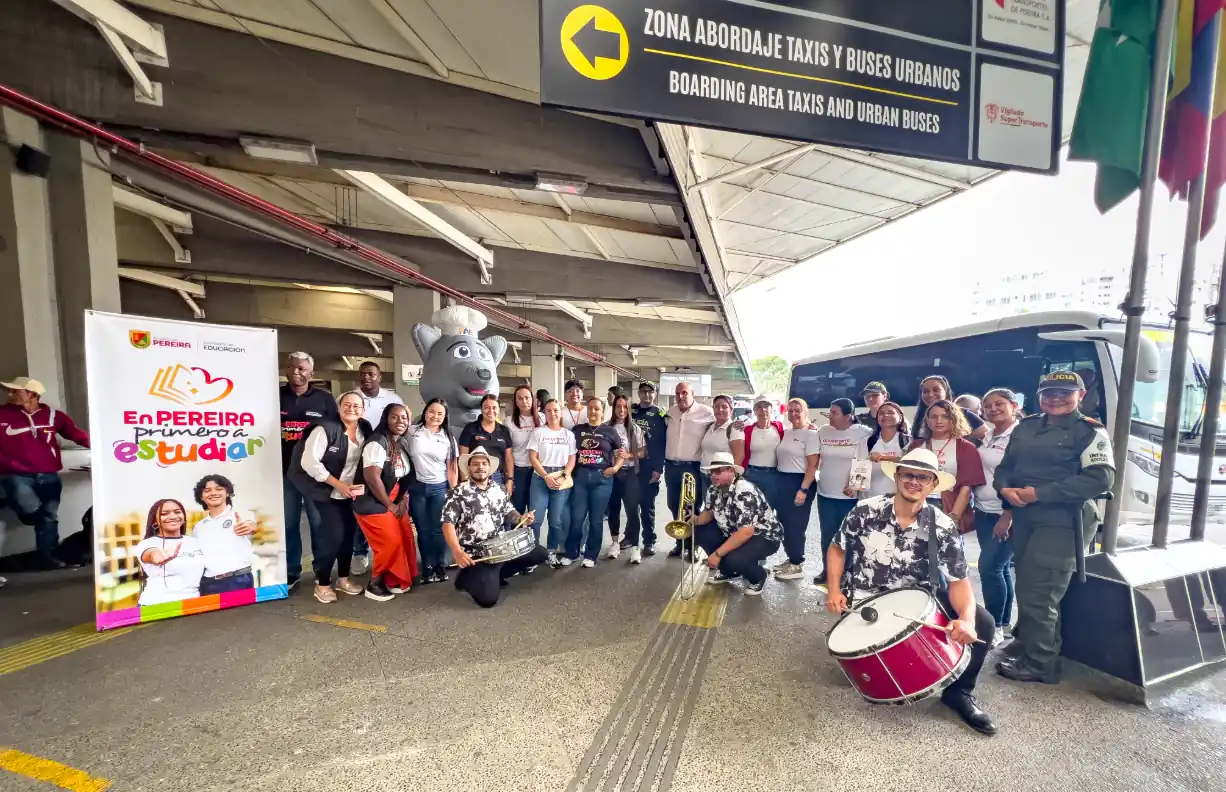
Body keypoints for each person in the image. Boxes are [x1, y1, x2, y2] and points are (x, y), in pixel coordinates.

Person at [824, 448, 997, 735]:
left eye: (922, 477)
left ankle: (959, 692)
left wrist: (966, 619)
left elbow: (957, 581)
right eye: (908, 475)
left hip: (920, 599)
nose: (914, 482)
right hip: (870, 597)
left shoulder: (941, 525)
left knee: (984, 623)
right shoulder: (865, 511)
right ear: (897, 478)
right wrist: (833, 590)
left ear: (931, 484)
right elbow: (837, 548)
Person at [994, 370, 1114, 684]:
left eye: (1064, 392)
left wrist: (1040, 494)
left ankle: (1041, 662)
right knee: (1028, 583)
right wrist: (1005, 489)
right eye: (1049, 393)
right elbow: (1006, 468)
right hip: (1026, 515)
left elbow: (1100, 478)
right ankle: (1030, 641)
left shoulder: (1089, 431)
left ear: (1081, 395)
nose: (1055, 398)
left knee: (1040, 591)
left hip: (1064, 519)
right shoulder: (1027, 427)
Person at [0, 377, 91, 569]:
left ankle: (48, 558)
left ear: (32, 394)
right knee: (34, 512)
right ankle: (29, 517)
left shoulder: (53, 415)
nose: (9, 394)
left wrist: (107, 449)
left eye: (15, 391)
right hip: (15, 475)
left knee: (50, 516)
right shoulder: (1, 414)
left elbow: (76, 435)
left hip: (49, 475)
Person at [289, 391, 371, 604]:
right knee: (333, 537)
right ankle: (322, 583)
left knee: (348, 538)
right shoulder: (324, 429)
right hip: (326, 491)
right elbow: (310, 463)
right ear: (339, 407)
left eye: (356, 406)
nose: (351, 408)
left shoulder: (365, 429)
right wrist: (338, 484)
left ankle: (342, 579)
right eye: (347, 404)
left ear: (363, 410)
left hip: (350, 493)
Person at [442, 447, 546, 608]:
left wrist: (521, 518)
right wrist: (457, 551)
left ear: (489, 468)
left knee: (539, 553)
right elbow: (447, 523)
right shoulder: (457, 492)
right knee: (487, 600)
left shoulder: (498, 488)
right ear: (468, 468)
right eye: (475, 464)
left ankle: (497, 575)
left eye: (484, 463)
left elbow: (508, 511)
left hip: (501, 549)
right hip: (477, 554)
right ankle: (467, 577)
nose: (480, 467)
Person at [278, 352, 336, 591]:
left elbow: (335, 433)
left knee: (319, 524)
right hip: (285, 474)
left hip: (315, 475)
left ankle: (322, 570)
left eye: (302, 368)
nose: (296, 372)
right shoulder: (274, 395)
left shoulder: (324, 399)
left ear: (311, 373)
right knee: (289, 524)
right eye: (292, 367)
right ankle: (292, 572)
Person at [690, 451, 782, 595]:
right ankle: (729, 571)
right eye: (712, 472)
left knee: (734, 558)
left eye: (718, 471)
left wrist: (718, 554)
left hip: (763, 536)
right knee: (699, 531)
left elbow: (746, 532)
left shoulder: (744, 491)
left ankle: (758, 576)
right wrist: (694, 520)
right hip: (733, 531)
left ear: (731, 471)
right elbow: (708, 514)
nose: (714, 475)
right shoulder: (714, 488)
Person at [353, 403, 418, 602]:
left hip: (394, 497)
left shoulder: (398, 443)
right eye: (394, 417)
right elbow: (372, 478)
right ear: (385, 419)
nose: (400, 422)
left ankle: (394, 578)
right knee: (390, 541)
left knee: (406, 536)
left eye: (404, 418)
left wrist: (402, 500)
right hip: (373, 500)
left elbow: (402, 476)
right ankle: (375, 584)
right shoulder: (377, 442)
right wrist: (390, 505)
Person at [974, 388, 1022, 646]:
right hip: (983, 509)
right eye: (988, 405)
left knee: (990, 568)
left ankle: (994, 626)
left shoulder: (1019, 436)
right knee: (1000, 569)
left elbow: (1020, 476)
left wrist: (1008, 515)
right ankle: (1003, 623)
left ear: (1014, 406)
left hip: (1005, 513)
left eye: (999, 404)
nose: (993, 409)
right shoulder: (990, 434)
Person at [352, 361, 405, 573]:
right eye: (363, 374)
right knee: (364, 510)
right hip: (360, 461)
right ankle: (359, 553)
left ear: (379, 377)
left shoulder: (393, 399)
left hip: (388, 460)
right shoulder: (351, 397)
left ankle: (386, 560)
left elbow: (401, 424)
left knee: (384, 516)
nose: (367, 377)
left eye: (371, 374)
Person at [812, 398, 873, 582]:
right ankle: (828, 571)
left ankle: (848, 573)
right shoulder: (823, 431)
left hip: (850, 497)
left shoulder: (863, 433)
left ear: (849, 416)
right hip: (825, 493)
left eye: (835, 413)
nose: (830, 416)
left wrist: (855, 486)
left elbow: (864, 462)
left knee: (849, 536)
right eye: (830, 412)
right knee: (827, 535)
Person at [907, 399, 984, 535]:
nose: (939, 421)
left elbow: (966, 488)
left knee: (948, 554)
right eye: (934, 417)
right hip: (916, 506)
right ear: (927, 420)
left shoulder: (966, 448)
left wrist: (954, 517)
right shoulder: (916, 446)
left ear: (954, 419)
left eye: (945, 416)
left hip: (947, 506)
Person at [567, 398, 626, 566]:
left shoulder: (610, 432)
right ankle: (572, 553)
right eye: (590, 408)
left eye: (597, 409)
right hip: (580, 478)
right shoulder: (577, 430)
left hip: (602, 479)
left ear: (602, 412)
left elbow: (621, 453)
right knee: (577, 518)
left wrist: (615, 468)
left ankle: (591, 556)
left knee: (596, 519)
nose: (593, 412)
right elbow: (570, 453)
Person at [409, 398, 459, 584]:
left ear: (445, 417)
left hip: (440, 487)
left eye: (440, 413)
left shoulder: (448, 438)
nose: (435, 416)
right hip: (417, 488)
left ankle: (440, 565)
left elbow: (452, 468)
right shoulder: (412, 431)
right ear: (425, 411)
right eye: (431, 411)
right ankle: (428, 566)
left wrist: (453, 493)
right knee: (423, 530)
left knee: (439, 529)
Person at [664, 382, 715, 557]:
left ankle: (693, 546)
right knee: (673, 505)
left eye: (684, 393)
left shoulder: (707, 413)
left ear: (692, 393)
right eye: (677, 393)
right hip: (671, 466)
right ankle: (680, 543)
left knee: (691, 508)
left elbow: (724, 423)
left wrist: (737, 424)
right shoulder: (671, 412)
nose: (680, 397)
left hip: (692, 467)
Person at [771, 398, 820, 581]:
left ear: (805, 411)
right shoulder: (787, 432)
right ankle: (791, 558)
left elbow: (813, 465)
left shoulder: (811, 434)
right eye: (790, 410)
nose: (793, 413)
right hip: (782, 480)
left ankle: (797, 564)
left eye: (797, 410)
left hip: (800, 482)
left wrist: (803, 489)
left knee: (796, 525)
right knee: (783, 523)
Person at [192, 474, 259, 596]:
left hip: (237, 579)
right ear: (201, 497)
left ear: (227, 493)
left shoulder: (242, 514)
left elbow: (251, 526)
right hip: (208, 583)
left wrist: (248, 527)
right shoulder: (199, 526)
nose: (213, 493)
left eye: (219, 489)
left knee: (242, 615)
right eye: (207, 491)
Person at [528, 399, 577, 567]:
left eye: (555, 410)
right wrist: (545, 476)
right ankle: (533, 555)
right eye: (548, 411)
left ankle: (550, 551)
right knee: (535, 519)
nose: (552, 413)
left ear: (560, 412)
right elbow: (533, 457)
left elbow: (572, 458)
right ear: (545, 413)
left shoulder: (568, 435)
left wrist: (564, 475)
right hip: (540, 478)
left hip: (561, 478)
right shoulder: (538, 432)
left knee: (556, 521)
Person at [135, 498, 205, 606]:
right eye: (164, 513)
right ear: (155, 520)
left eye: (177, 512)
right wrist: (156, 556)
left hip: (192, 604)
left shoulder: (195, 542)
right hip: (156, 605)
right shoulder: (147, 544)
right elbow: (150, 554)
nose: (173, 516)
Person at [606, 395, 646, 563]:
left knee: (632, 510)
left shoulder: (634, 429)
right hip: (612, 474)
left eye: (625, 407)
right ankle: (615, 543)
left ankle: (636, 547)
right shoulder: (606, 428)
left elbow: (643, 452)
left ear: (628, 409)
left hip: (630, 473)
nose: (621, 410)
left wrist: (629, 455)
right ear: (614, 408)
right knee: (613, 509)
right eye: (618, 407)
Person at [632, 381, 668, 556]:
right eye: (643, 391)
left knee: (647, 506)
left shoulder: (660, 414)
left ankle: (648, 541)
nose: (647, 395)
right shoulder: (631, 411)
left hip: (650, 466)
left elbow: (662, 444)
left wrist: (658, 468)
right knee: (631, 505)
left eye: (650, 392)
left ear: (655, 394)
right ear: (638, 393)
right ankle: (631, 540)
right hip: (631, 465)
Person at [732, 396, 784, 508]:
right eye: (759, 407)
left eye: (766, 406)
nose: (763, 410)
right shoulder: (748, 430)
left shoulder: (779, 428)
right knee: (750, 509)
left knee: (769, 509)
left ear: (772, 409)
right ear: (754, 411)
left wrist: (810, 426)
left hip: (773, 476)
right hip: (752, 474)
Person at [459, 394, 514, 488]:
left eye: (494, 408)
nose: (491, 411)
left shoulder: (504, 430)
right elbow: (463, 457)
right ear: (481, 409)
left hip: (498, 477)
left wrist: (510, 479)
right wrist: (464, 481)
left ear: (498, 409)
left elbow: (508, 457)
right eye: (487, 407)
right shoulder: (470, 428)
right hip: (475, 476)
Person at [914, 375, 987, 442]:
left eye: (936, 390)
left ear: (945, 391)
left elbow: (989, 438)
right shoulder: (920, 418)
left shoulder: (963, 414)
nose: (930, 394)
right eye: (926, 391)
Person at [507, 386, 543, 515]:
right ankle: (516, 535)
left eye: (527, 398)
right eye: (520, 398)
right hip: (519, 470)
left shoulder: (543, 418)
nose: (524, 401)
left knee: (535, 512)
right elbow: (508, 452)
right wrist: (510, 477)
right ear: (515, 402)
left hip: (538, 471)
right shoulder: (509, 422)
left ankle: (533, 536)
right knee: (518, 510)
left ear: (533, 400)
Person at [865, 402, 910, 498]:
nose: (885, 415)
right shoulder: (869, 441)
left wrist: (884, 458)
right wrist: (852, 488)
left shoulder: (908, 441)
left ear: (900, 418)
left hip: (899, 498)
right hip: (871, 497)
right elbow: (860, 467)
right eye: (881, 413)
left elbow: (912, 464)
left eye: (891, 412)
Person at [699, 394, 737, 489]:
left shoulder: (735, 429)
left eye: (724, 407)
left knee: (721, 503)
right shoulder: (710, 426)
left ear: (731, 410)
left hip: (722, 478)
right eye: (716, 407)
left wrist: (734, 480)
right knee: (708, 503)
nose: (720, 410)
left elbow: (739, 457)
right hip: (705, 475)